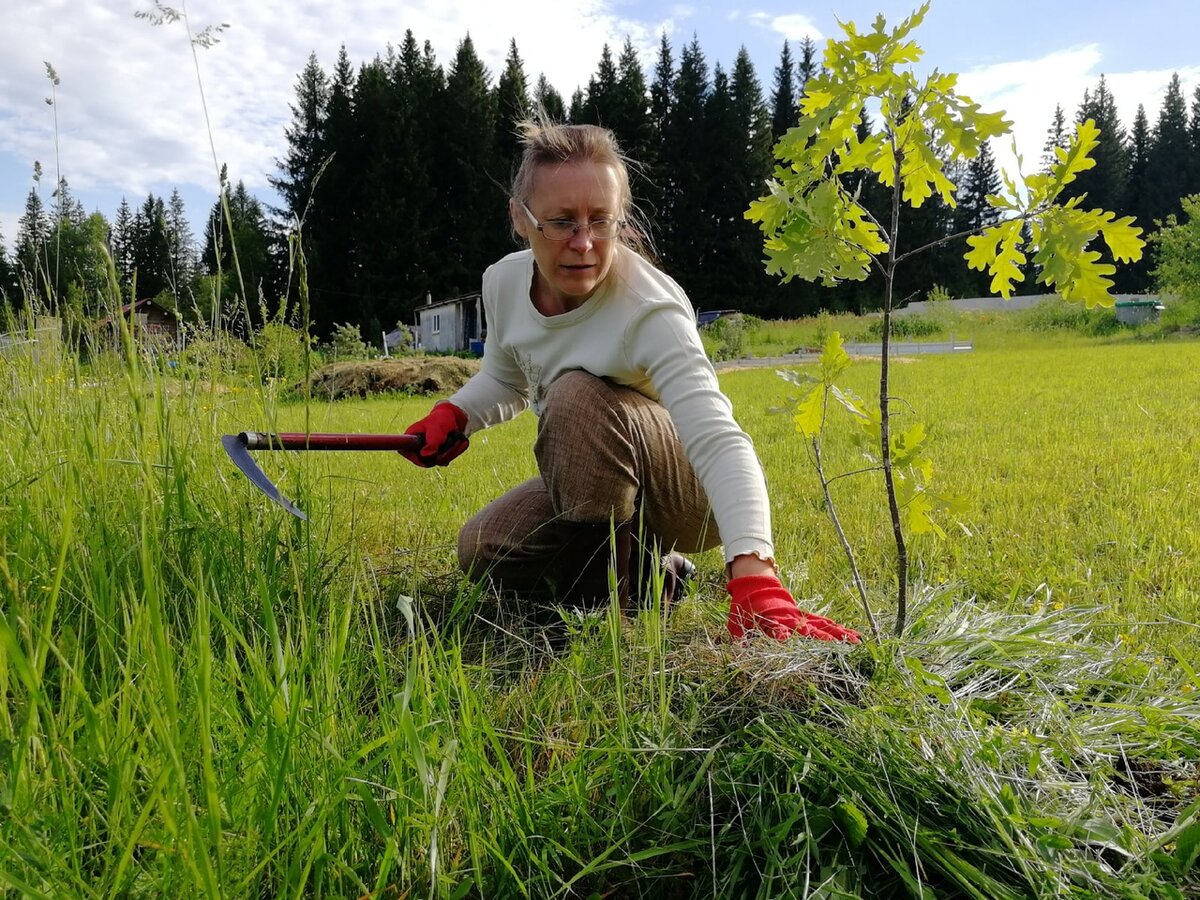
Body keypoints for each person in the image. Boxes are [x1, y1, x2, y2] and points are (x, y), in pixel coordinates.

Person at [400, 119, 859, 644]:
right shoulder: (502, 282)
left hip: (685, 491)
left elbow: (717, 439)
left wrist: (756, 577)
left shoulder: (648, 309)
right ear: (520, 219)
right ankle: (654, 578)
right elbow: (507, 379)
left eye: (602, 220)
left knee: (574, 397)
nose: (584, 243)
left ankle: (625, 620)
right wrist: (454, 414)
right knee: (483, 549)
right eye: (561, 221)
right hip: (595, 474)